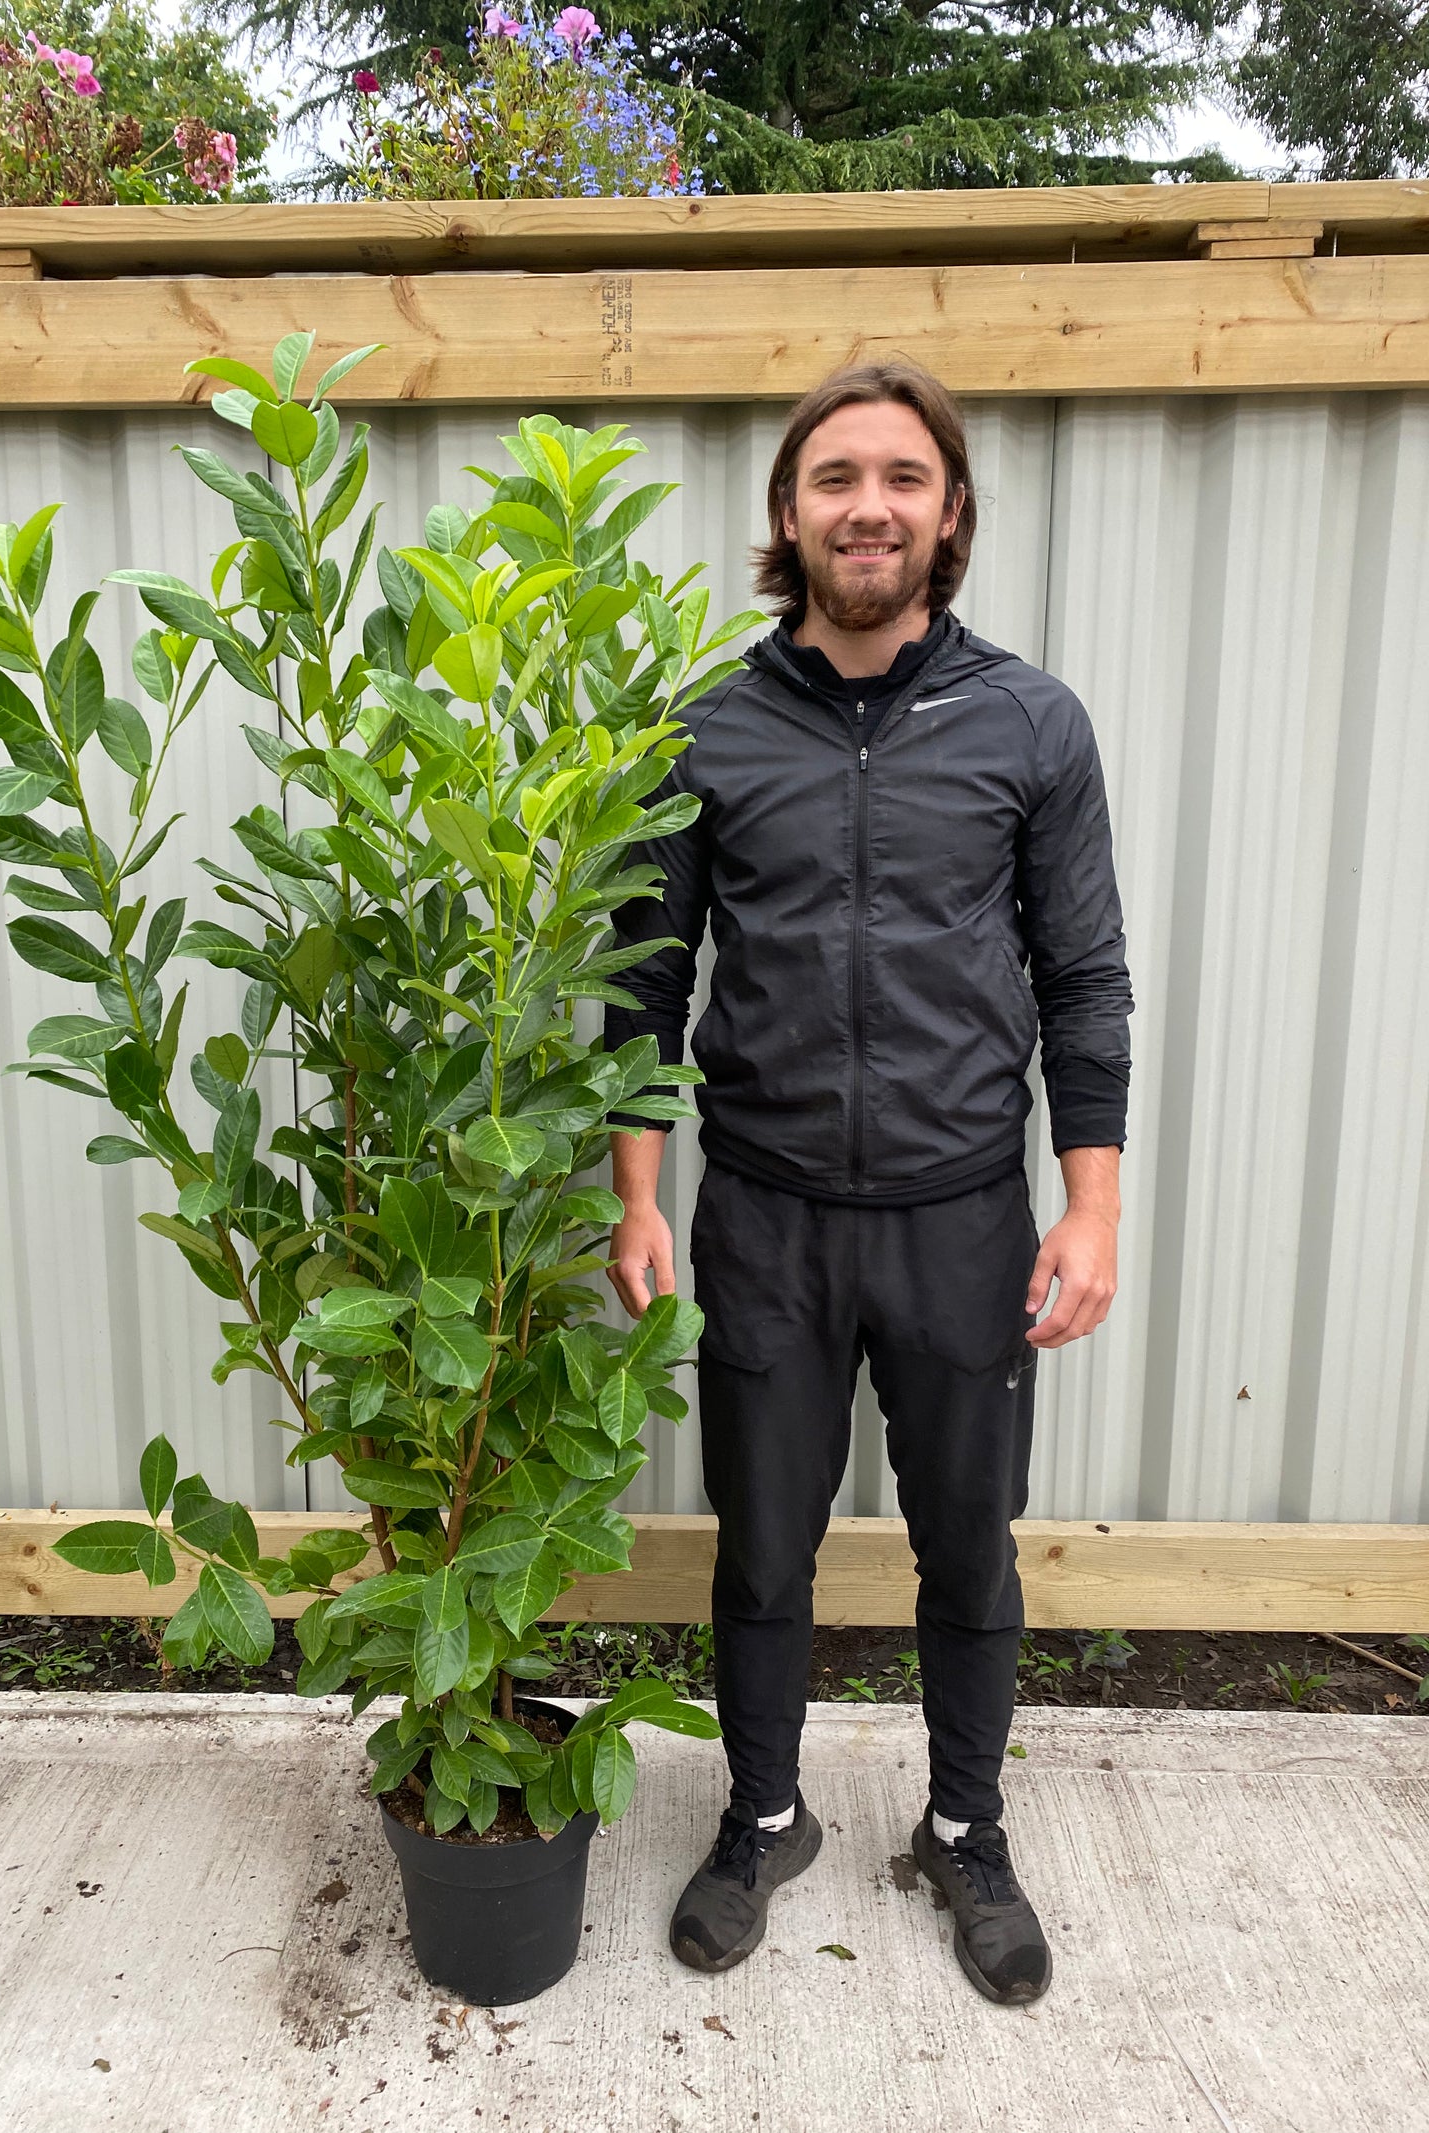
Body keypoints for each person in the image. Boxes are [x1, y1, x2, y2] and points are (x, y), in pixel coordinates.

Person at [601, 360, 1133, 2005]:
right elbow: (644, 980)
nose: (870, 505)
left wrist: (1093, 1204)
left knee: (968, 1549)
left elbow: (1085, 980)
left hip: (963, 1218)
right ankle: (765, 1815)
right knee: (761, 1548)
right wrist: (639, 1197)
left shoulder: (1033, 724)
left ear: (950, 511)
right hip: (761, 1216)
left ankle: (964, 1826)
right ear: (788, 512)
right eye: (836, 477)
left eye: (903, 477)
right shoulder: (703, 730)